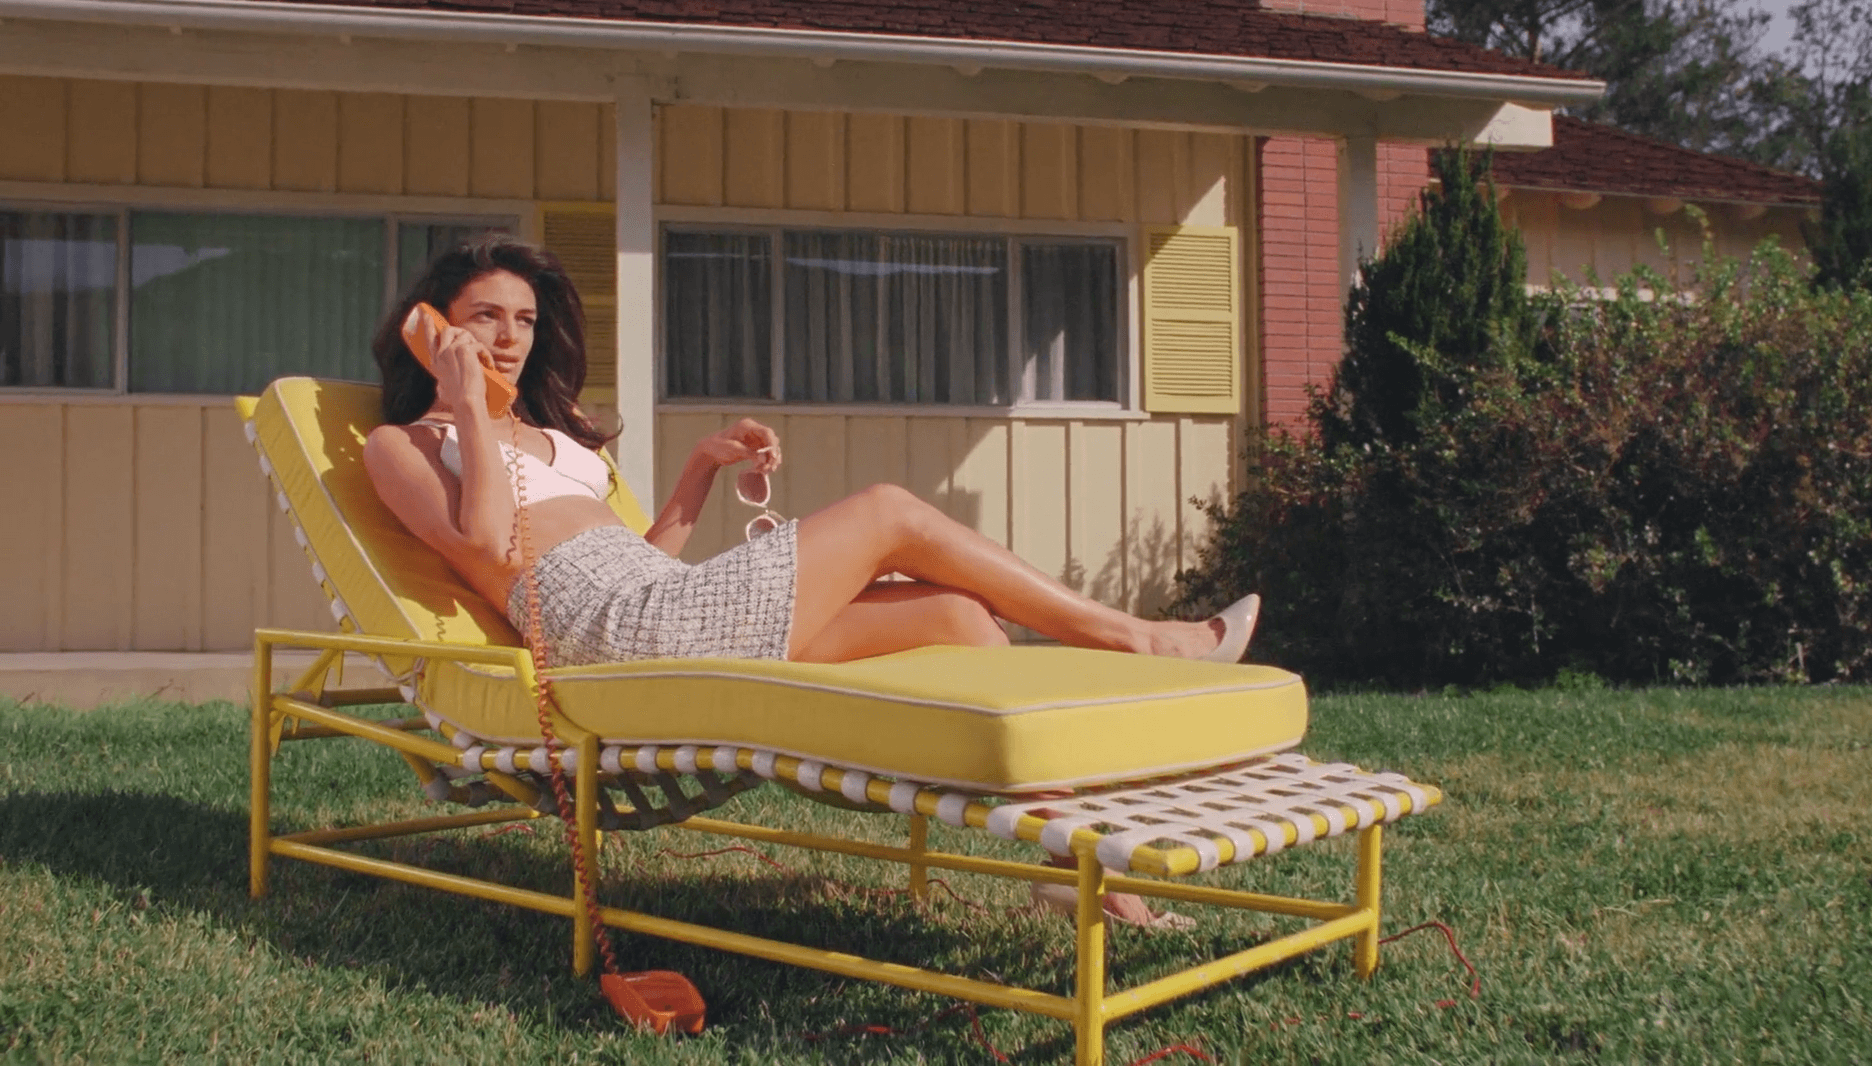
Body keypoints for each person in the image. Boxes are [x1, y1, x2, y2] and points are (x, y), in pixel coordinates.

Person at [363, 236, 1258, 927]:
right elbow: (483, 542)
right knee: (888, 513)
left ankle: (1071, 875)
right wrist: (470, 412)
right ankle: (1140, 637)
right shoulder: (403, 445)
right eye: (484, 317)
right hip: (595, 636)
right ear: (434, 325)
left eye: (522, 318)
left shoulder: (560, 439)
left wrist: (699, 473)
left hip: (651, 606)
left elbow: (642, 561)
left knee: (954, 613)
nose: (509, 336)